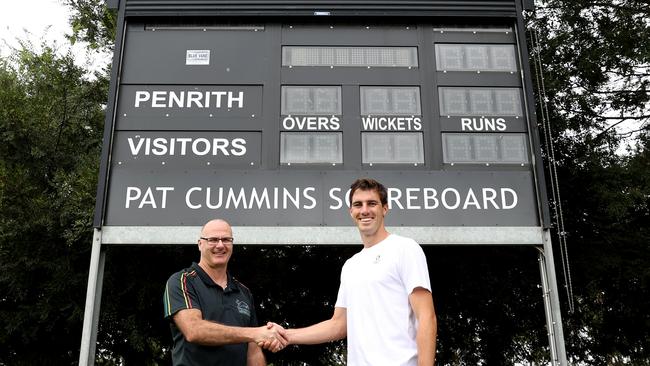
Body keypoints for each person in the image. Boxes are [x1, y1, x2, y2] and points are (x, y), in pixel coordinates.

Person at [265, 178, 437, 365]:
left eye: (372, 203)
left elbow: (427, 317)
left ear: (385, 208)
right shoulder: (351, 265)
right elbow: (338, 325)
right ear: (351, 211)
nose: (364, 210)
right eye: (358, 205)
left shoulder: (405, 248)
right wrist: (287, 335)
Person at [164, 219, 287, 366]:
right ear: (200, 244)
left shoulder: (244, 292)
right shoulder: (182, 280)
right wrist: (255, 333)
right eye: (213, 240)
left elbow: (253, 351)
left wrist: (258, 335)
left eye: (226, 240)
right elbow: (194, 330)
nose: (220, 245)